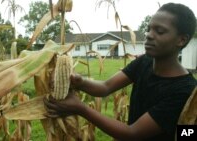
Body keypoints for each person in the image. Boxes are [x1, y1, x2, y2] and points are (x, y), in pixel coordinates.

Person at [44, 3, 197, 141]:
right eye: (149, 29)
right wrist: (81, 82)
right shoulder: (144, 62)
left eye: (160, 31)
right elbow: (105, 87)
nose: (149, 35)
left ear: (181, 40)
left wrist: (80, 108)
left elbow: (133, 133)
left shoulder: (185, 90)